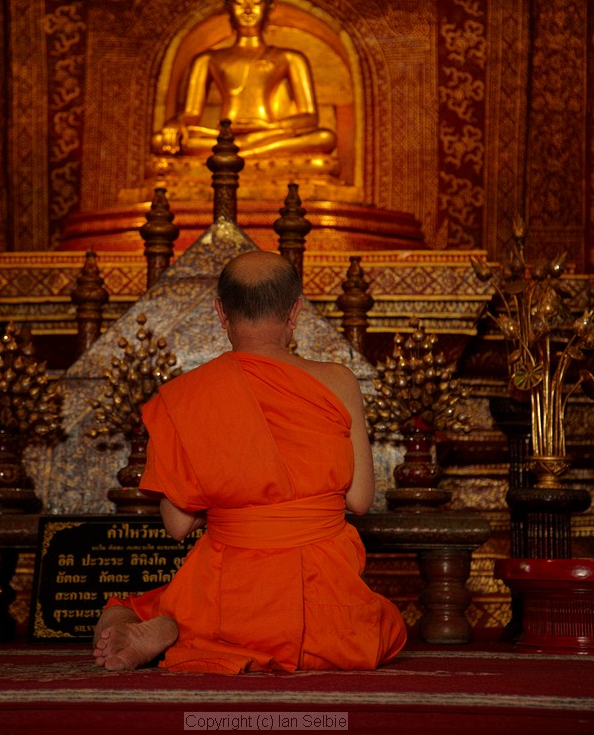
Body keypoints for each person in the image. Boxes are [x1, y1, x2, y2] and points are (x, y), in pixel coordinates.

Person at [93, 250, 406, 673]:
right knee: (388, 627)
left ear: (221, 313)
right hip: (323, 600)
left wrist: (237, 501)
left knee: (123, 608)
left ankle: (182, 630)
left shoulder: (188, 396)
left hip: (227, 592)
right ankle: (189, 631)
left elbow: (177, 526)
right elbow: (361, 500)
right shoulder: (338, 382)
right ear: (295, 310)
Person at [151, 0, 337, 158]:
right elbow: (191, 114)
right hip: (223, 137)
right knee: (160, 141)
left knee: (325, 138)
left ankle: (240, 153)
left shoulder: (290, 58)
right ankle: (243, 152)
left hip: (269, 133)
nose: (248, 10)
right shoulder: (208, 59)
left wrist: (269, 127)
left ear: (269, 8)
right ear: (228, 8)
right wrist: (174, 124)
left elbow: (309, 117)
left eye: (256, 2)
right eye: (239, 2)